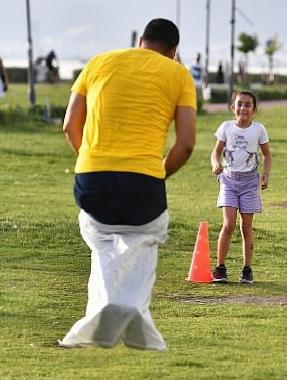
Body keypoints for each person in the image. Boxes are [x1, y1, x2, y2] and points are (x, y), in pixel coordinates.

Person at [59, 18, 197, 351]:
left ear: (140, 40)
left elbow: (69, 125)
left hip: (92, 180)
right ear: (173, 51)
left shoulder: (98, 62)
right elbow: (186, 144)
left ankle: (105, 312)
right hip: (145, 183)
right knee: (143, 239)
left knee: (104, 242)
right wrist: (160, 172)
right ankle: (131, 310)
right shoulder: (179, 74)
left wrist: (91, 160)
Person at [211, 90, 271, 284]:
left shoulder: (259, 129)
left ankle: (247, 269)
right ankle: (220, 268)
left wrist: (265, 175)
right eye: (239, 104)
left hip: (249, 183)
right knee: (228, 224)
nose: (243, 108)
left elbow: (267, 155)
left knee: (246, 226)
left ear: (254, 109)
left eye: (247, 105)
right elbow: (216, 152)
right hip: (228, 180)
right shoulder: (226, 127)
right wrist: (215, 164)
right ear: (232, 107)